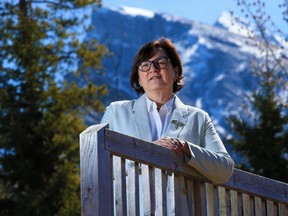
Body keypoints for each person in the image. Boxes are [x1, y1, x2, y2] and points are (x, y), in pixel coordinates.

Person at [101, 37, 234, 214]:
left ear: (176, 71)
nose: (153, 69)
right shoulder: (116, 111)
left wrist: (187, 149)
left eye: (161, 62)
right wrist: (149, 152)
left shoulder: (198, 118)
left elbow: (224, 169)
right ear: (139, 79)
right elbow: (101, 167)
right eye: (145, 65)